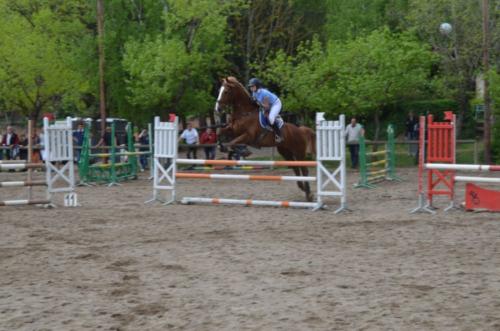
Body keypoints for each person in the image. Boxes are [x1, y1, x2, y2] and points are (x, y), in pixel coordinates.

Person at [247, 77, 283, 143]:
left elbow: (266, 107)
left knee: (271, 118)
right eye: (250, 87)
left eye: (252, 86)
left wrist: (258, 103)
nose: (251, 88)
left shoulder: (264, 93)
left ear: (257, 86)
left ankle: (279, 135)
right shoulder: (254, 93)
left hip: (275, 104)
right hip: (267, 105)